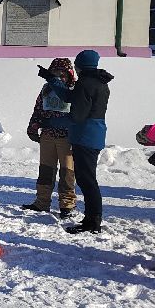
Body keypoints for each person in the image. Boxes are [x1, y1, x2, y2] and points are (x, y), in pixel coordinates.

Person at [41, 50, 112, 234]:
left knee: (87, 180)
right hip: (92, 135)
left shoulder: (86, 83)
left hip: (86, 137)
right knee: (86, 179)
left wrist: (52, 122)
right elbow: (69, 97)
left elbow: (76, 116)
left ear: (81, 65)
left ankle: (93, 221)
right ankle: (91, 219)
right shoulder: (96, 82)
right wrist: (52, 79)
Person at [23, 58, 77, 218]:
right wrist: (33, 126)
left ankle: (67, 204)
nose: (60, 77)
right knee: (46, 170)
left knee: (67, 172)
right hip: (47, 135)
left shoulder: (73, 90)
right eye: (55, 73)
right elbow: (38, 108)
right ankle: (42, 202)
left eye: (63, 74)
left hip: (67, 138)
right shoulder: (46, 88)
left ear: (69, 75)